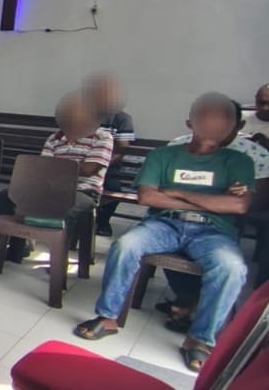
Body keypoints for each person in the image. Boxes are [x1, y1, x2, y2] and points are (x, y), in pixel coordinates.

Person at [74, 94, 252, 371]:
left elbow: (239, 205)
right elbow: (147, 197)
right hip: (164, 224)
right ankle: (107, 317)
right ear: (190, 123)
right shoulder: (164, 156)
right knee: (126, 245)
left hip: (214, 232)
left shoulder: (239, 161)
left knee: (231, 268)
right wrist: (213, 200)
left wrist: (177, 193)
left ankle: (200, 339)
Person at [155, 100, 269, 328]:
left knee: (225, 263)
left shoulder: (255, 155)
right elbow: (159, 190)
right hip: (175, 216)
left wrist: (190, 196)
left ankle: (195, 306)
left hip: (223, 223)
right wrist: (218, 196)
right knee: (168, 231)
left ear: (238, 125)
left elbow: (253, 203)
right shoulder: (178, 145)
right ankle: (189, 298)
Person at [0, 93, 113, 262]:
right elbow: (43, 168)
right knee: (4, 197)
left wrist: (55, 169)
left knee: (65, 206)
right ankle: (17, 248)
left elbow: (89, 169)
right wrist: (61, 170)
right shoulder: (55, 138)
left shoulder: (102, 137)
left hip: (83, 191)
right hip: (47, 189)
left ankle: (59, 260)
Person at [85, 72, 136, 237]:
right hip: (81, 163)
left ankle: (102, 221)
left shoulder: (122, 119)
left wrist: (101, 164)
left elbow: (122, 149)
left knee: (114, 190)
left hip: (108, 166)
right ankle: (79, 220)